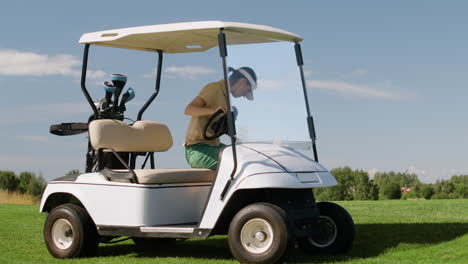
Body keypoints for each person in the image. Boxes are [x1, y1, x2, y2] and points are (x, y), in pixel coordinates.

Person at [184, 67, 257, 170]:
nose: (245, 95)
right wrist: (213, 111)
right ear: (242, 82)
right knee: (239, 162)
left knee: (248, 156)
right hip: (198, 149)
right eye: (248, 90)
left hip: (214, 146)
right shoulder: (215, 88)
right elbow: (189, 109)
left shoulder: (228, 98)